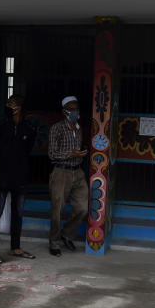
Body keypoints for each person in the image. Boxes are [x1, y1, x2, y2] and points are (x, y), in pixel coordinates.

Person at [0, 95, 36, 264]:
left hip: (21, 177)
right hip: (3, 178)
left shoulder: (28, 128)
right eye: (7, 103)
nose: (8, 106)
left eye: (12, 104)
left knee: (18, 213)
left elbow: (27, 150)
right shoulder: (1, 127)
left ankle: (16, 247)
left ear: (20, 108)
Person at [47, 95, 88, 257]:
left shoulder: (79, 128)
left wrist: (80, 153)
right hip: (61, 172)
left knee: (83, 208)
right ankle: (54, 242)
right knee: (57, 210)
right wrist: (71, 154)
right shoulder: (57, 128)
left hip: (77, 172)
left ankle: (67, 234)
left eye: (76, 108)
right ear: (64, 111)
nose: (75, 112)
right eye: (71, 109)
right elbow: (52, 154)